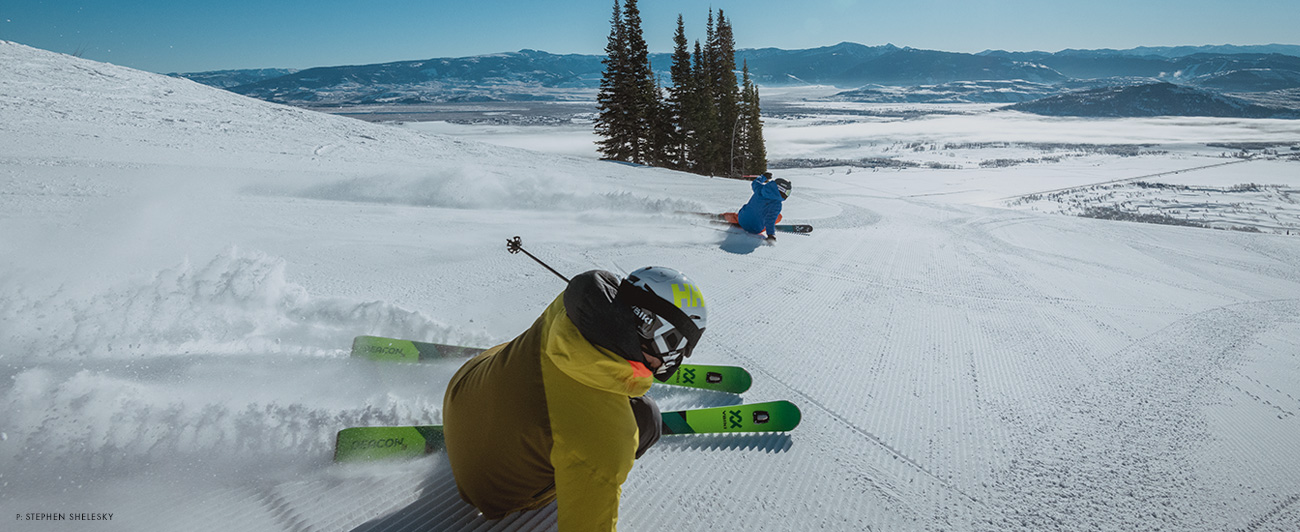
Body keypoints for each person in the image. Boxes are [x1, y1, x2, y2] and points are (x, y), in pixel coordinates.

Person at [442, 266, 707, 531]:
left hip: (463, 390)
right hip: (492, 491)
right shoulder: (608, 434)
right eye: (677, 348)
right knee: (647, 417)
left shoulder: (578, 302)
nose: (674, 363)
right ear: (655, 330)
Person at [736, 172, 791, 241]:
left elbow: (755, 182)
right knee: (779, 216)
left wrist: (764, 177)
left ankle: (732, 217)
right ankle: (768, 227)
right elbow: (770, 220)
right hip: (755, 229)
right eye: (788, 192)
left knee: (749, 209)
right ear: (782, 190)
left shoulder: (760, 188)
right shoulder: (777, 204)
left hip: (741, 220)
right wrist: (771, 234)